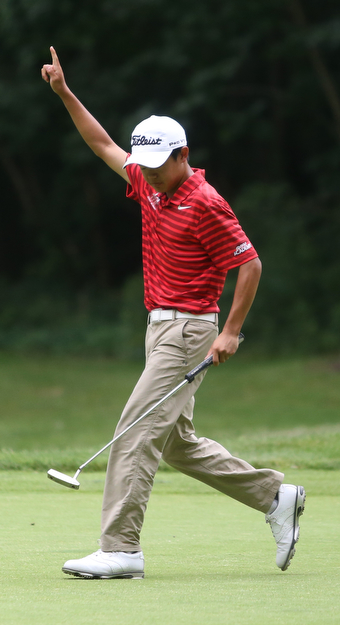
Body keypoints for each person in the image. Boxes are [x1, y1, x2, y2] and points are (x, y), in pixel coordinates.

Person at [41, 47, 305, 579]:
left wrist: (231, 331)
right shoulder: (147, 183)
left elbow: (249, 264)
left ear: (183, 154)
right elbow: (101, 143)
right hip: (158, 326)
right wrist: (65, 93)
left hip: (188, 330)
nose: (152, 177)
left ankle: (121, 549)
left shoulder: (205, 201)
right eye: (147, 168)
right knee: (176, 444)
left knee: (135, 429)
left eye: (161, 167)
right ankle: (276, 496)